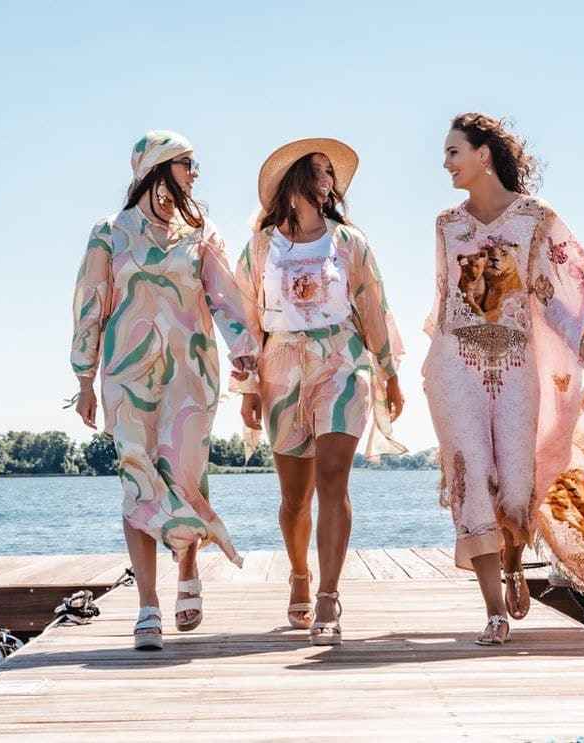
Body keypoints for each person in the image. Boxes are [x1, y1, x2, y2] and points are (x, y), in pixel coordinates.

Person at [69, 130, 258, 650]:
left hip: (191, 374)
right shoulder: (109, 233)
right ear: (157, 167)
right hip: (127, 376)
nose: (196, 173)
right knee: (138, 478)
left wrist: (245, 354)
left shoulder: (200, 232)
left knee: (185, 474)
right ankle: (147, 605)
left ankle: (189, 564)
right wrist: (83, 378)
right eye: (187, 163)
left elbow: (225, 298)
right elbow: (90, 304)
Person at [424, 113, 584, 645]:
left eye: (454, 152)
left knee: (515, 477)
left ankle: (512, 562)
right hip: (456, 362)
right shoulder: (446, 224)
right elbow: (443, 297)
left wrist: (581, 342)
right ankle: (493, 610)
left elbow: (559, 290)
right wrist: (431, 361)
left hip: (516, 363)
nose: (446, 164)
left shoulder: (535, 218)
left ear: (483, 155)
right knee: (471, 474)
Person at [233, 138, 404, 645]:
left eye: (331, 173)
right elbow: (246, 319)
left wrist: (388, 371)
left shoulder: (349, 242)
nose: (329, 181)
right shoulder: (261, 247)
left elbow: (373, 305)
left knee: (333, 480)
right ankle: (300, 574)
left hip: (342, 362)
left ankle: (329, 595)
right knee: (294, 498)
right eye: (319, 171)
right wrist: (248, 387)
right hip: (281, 367)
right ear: (295, 181)